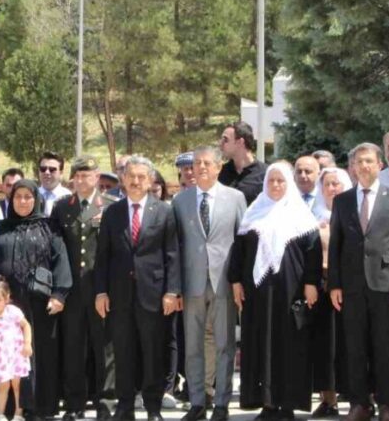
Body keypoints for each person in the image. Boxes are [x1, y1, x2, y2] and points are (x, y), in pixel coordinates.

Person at [228, 162, 322, 419]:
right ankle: (267, 403)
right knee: (261, 342)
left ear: (288, 183)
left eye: (281, 181)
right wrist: (235, 281)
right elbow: (239, 251)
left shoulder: (301, 215)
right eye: (272, 181)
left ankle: (288, 404)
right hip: (257, 293)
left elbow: (312, 252)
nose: (276, 185)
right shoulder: (254, 212)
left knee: (290, 343)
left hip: (291, 291)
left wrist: (311, 283)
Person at [328, 143, 389, 421]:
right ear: (352, 168)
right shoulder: (342, 200)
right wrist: (335, 285)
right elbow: (336, 244)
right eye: (358, 162)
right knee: (354, 347)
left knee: (383, 346)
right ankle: (359, 404)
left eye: (369, 161)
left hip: (385, 284)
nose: (364, 166)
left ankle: (386, 404)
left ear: (380, 165)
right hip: (351, 286)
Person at [95, 156, 181, 421]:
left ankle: (153, 407)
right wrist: (101, 292)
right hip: (119, 296)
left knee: (153, 352)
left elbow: (172, 255)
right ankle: (125, 406)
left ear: (150, 180)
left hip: (153, 296)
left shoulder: (164, 211)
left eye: (141, 177)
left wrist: (171, 291)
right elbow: (103, 257)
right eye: (131, 176)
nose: (135, 181)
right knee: (123, 352)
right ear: (123, 179)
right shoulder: (113, 212)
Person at [0, 180, 72, 420]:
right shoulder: (0, 228)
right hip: (5, 305)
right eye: (18, 196)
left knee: (39, 352)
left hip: (41, 304)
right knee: (7, 354)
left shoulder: (49, 227)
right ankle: (9, 409)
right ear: (11, 200)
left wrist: (59, 294)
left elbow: (61, 261)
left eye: (28, 197)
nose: (23, 201)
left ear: (36, 199)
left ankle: (40, 406)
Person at [173, 147, 246, 421]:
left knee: (225, 344)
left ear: (218, 167)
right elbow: (175, 246)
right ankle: (197, 402)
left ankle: (222, 403)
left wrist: (239, 281)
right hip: (191, 283)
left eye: (206, 163)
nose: (200, 167)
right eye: (196, 163)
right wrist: (176, 286)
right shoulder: (181, 201)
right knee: (192, 345)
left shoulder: (235, 197)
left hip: (224, 281)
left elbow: (242, 242)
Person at [51, 158, 116, 421]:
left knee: (104, 349)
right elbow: (56, 249)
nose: (80, 180)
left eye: (86, 174)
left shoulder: (111, 206)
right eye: (76, 175)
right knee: (73, 348)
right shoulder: (62, 207)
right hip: (73, 290)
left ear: (97, 176)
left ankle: (106, 402)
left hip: (100, 288)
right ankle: (74, 403)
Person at [311, 166, 351, 419]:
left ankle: (362, 398)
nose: (332, 188)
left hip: (351, 290)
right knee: (325, 347)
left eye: (337, 184)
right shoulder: (310, 215)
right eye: (327, 184)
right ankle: (328, 399)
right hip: (321, 290)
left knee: (353, 345)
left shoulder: (355, 212)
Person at [0, 276, 33, 421]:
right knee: (2, 384)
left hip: (15, 353)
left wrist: (27, 343)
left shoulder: (13, 312)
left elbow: (26, 325)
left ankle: (18, 414)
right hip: (0, 355)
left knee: (17, 385)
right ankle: (0, 414)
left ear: (7, 298)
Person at [217, 122, 267, 205]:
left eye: (225, 140)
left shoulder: (265, 174)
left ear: (240, 142)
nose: (221, 144)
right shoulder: (220, 173)